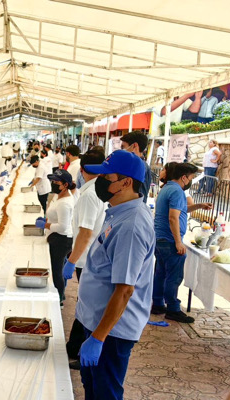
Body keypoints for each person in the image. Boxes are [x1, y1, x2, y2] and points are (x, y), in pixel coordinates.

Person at [75, 150, 156, 400]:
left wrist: (98, 338)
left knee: (106, 392)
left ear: (126, 182)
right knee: (94, 387)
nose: (100, 181)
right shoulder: (117, 212)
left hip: (111, 332)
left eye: (106, 177)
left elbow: (125, 290)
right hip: (98, 322)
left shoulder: (131, 225)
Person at [62, 150, 107, 367]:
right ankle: (75, 345)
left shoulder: (91, 195)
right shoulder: (95, 190)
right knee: (85, 302)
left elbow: (86, 232)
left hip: (88, 257)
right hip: (89, 255)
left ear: (82, 170)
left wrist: (72, 260)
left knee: (88, 303)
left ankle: (81, 350)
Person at [152, 163, 212, 323]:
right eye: (191, 177)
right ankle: (173, 308)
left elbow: (181, 209)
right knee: (173, 276)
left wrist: (199, 206)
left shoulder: (168, 188)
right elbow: (173, 217)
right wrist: (178, 242)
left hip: (160, 239)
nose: (191, 181)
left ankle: (157, 303)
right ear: (184, 177)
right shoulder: (177, 191)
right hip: (170, 240)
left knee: (160, 274)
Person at [35, 169, 75, 304]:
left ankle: (59, 299)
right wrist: (47, 221)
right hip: (57, 237)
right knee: (58, 269)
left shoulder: (64, 203)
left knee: (57, 271)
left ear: (65, 185)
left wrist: (46, 226)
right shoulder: (60, 196)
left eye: (56, 182)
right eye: (52, 181)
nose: (53, 184)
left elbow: (63, 227)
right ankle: (59, 294)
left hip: (61, 240)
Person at [120, 131, 152, 203]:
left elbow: (138, 196)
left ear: (134, 146)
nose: (121, 151)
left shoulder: (139, 167)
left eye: (123, 147)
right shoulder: (141, 165)